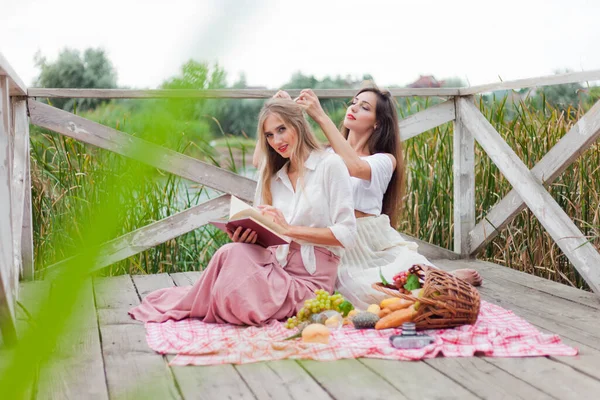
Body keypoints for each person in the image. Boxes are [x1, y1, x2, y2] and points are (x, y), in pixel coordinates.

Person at [129, 99, 357, 325]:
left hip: (310, 281)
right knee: (230, 252)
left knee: (236, 299)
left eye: (281, 129)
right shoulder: (273, 176)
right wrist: (249, 237)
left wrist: (288, 230)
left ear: (298, 124)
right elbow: (268, 234)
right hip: (275, 268)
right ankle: (220, 297)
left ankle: (231, 300)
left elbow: (347, 234)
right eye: (269, 135)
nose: (276, 141)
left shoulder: (330, 165)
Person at [257, 85, 481, 310]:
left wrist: (320, 116)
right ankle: (432, 282)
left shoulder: (384, 160)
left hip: (370, 240)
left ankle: (443, 280)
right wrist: (280, 114)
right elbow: (262, 161)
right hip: (336, 241)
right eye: (353, 102)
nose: (353, 108)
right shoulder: (327, 155)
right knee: (353, 292)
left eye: (364, 107)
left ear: (378, 123)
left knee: (388, 283)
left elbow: (354, 167)